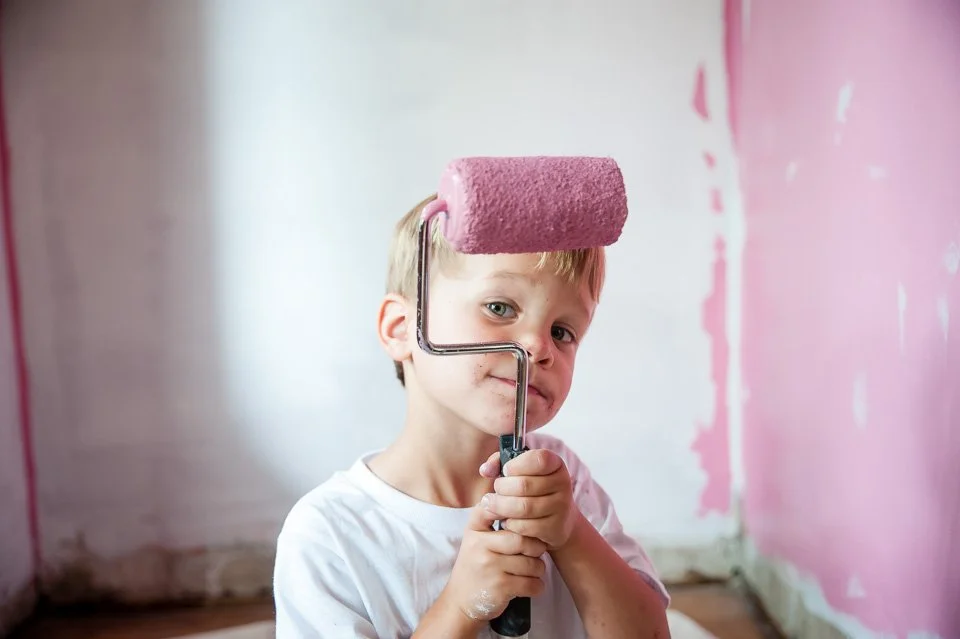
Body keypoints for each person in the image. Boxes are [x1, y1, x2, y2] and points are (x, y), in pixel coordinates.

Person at [273, 194, 671, 638]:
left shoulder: (565, 481)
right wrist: (462, 606)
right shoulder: (329, 535)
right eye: (500, 308)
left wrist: (572, 533)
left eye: (562, 332)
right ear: (402, 328)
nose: (538, 348)